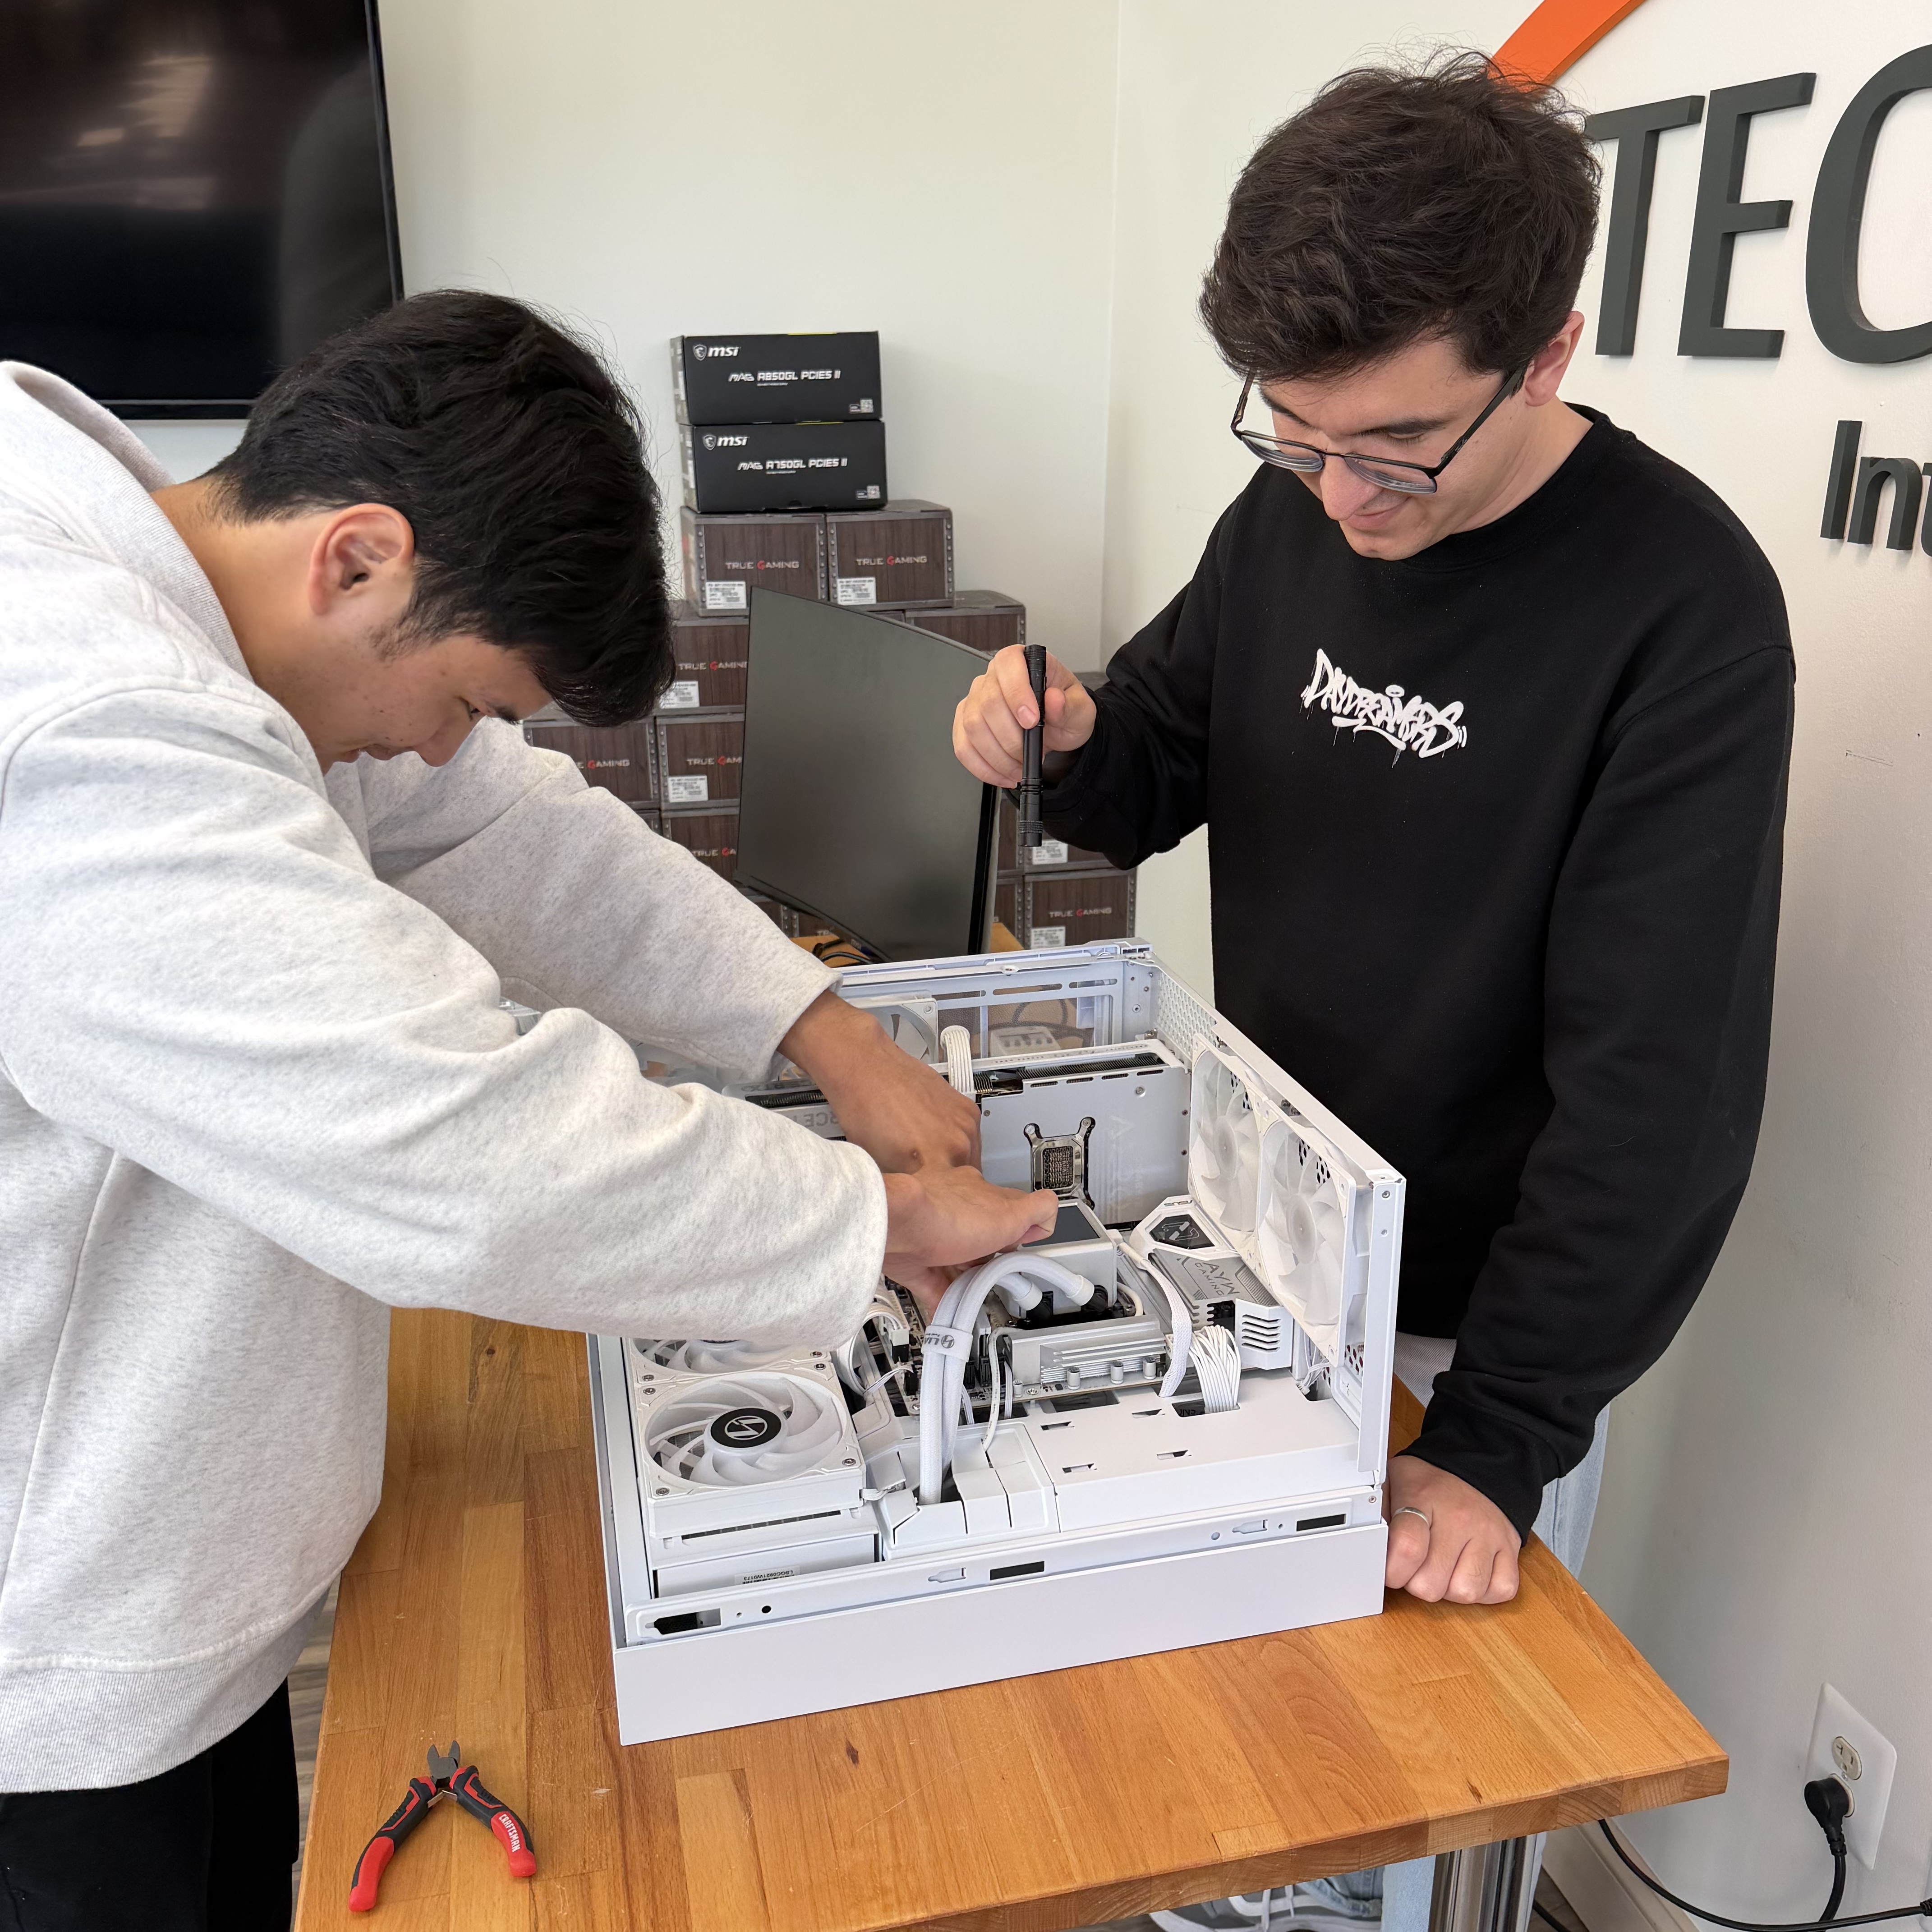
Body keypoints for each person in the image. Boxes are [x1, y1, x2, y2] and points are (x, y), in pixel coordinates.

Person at [0, 290, 1056, 1930]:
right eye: (472, 700)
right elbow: (450, 1141)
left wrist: (830, 1032)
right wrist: (866, 1221)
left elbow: (518, 835)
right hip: (47, 1624)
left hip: (161, 1556)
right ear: (358, 555)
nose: (445, 752)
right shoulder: (91, 723)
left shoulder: (208, 587)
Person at [953, 53, 1792, 1932]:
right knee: (1209, 1802)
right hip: (1254, 1246)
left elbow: (1661, 1100)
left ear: (1551, 349)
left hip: (1471, 1348)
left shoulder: (1682, 614)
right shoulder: (1299, 520)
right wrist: (1059, 735)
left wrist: (1496, 1447)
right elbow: (1156, 756)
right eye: (1299, 435)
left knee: (1369, 1838)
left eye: (1397, 450)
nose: (1344, 495)